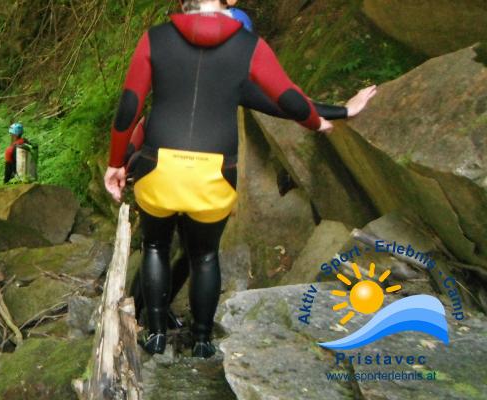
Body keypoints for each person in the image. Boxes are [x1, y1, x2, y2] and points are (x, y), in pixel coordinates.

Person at [104, 0, 373, 358]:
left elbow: (129, 106)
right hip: (214, 173)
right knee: (204, 256)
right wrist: (330, 117)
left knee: (155, 247)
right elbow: (287, 98)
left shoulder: (155, 39)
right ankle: (202, 341)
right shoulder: (248, 46)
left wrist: (116, 163)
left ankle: (155, 336)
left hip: (159, 167)